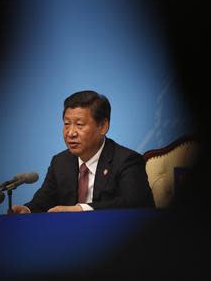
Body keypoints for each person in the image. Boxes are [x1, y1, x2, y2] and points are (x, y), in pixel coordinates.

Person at [10, 90, 155, 214]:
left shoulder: (127, 160)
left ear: (103, 126)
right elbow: (43, 201)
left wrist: (81, 209)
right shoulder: (60, 162)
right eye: (66, 124)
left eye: (79, 125)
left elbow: (135, 203)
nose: (71, 133)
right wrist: (27, 210)